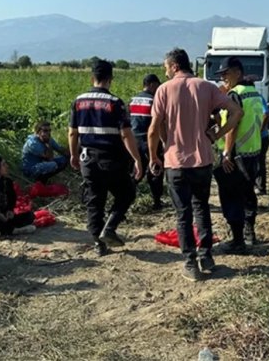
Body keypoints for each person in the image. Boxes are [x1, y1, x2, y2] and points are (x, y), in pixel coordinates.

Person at [148, 48, 243, 281]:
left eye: (166, 68)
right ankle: (206, 255)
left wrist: (155, 155)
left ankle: (190, 263)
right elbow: (236, 112)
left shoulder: (164, 89)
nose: (166, 72)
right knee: (202, 208)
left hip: (175, 162)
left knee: (183, 214)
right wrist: (216, 135)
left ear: (173, 66)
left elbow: (153, 128)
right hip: (202, 161)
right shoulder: (207, 87)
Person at [69, 59, 143, 256]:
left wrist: (73, 155)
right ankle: (109, 228)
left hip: (88, 159)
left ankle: (98, 244)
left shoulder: (78, 102)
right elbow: (126, 134)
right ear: (110, 79)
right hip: (112, 159)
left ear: (92, 77)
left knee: (95, 201)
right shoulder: (115, 103)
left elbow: (72, 133)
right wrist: (136, 159)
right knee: (126, 193)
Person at [213, 56, 264, 252]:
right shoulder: (254, 93)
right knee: (248, 192)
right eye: (221, 75)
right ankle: (249, 232)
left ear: (238, 73)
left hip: (235, 154)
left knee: (231, 195)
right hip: (253, 151)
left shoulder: (235, 94)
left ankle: (237, 240)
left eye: (226, 73)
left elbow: (234, 127)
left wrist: (226, 152)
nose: (223, 78)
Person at [129, 74, 165, 210]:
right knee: (155, 170)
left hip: (133, 140)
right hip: (150, 140)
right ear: (151, 85)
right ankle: (157, 202)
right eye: (157, 85)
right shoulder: (154, 101)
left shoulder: (132, 100)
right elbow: (160, 124)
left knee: (136, 171)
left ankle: (127, 199)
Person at [255, 94, 269, 195]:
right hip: (256, 137)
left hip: (261, 137)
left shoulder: (258, 98)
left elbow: (266, 114)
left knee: (259, 162)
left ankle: (261, 187)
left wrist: (259, 131)